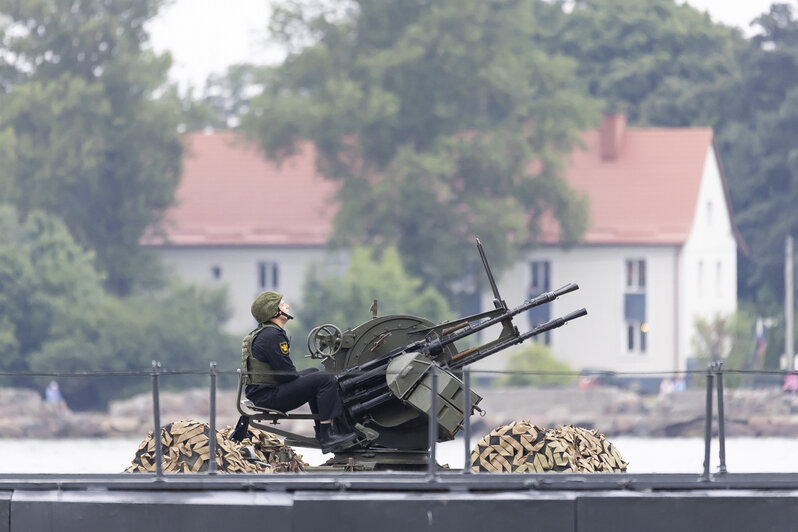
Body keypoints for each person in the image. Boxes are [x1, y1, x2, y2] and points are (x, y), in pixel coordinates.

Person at [241, 290, 357, 453]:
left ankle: (322, 431)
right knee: (325, 379)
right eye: (282, 305)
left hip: (261, 393)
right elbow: (287, 375)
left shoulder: (265, 333)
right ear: (274, 312)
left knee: (313, 372)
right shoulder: (272, 336)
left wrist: (307, 375)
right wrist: (305, 377)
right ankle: (327, 435)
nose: (287, 306)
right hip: (268, 396)